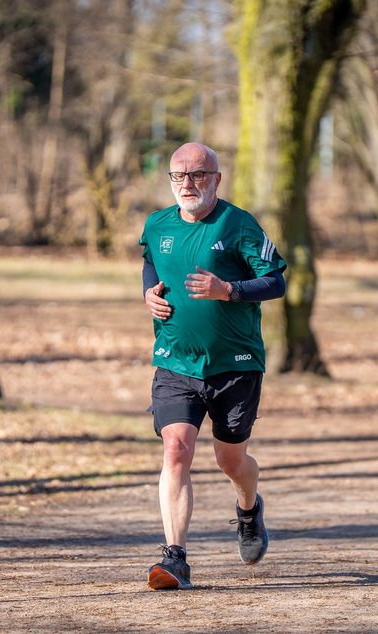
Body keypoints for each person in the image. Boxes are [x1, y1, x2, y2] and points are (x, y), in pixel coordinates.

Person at [139, 142, 287, 590]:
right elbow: (150, 261)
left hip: (235, 364)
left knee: (230, 460)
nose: (188, 184)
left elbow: (276, 280)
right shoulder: (157, 224)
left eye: (198, 175)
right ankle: (175, 557)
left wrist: (230, 290)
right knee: (177, 449)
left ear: (216, 179)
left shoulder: (239, 224)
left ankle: (248, 509)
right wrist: (149, 293)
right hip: (175, 361)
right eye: (179, 176)